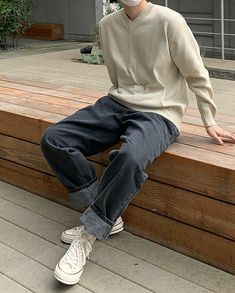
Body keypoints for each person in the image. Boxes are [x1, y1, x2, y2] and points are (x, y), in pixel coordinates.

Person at [40, 0, 235, 285]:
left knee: (130, 157)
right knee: (54, 139)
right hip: (116, 104)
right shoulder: (107, 25)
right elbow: (116, 76)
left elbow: (196, 73)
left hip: (160, 112)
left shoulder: (170, 20)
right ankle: (104, 211)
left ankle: (89, 234)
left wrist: (209, 119)